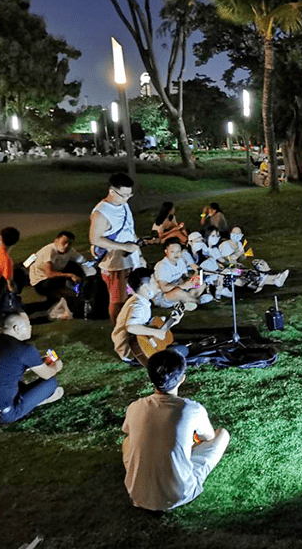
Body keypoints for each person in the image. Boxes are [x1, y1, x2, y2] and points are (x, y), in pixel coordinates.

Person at [122, 349, 230, 511]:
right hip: (179, 495)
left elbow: (129, 433)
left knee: (127, 441)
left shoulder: (135, 407)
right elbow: (208, 437)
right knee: (222, 434)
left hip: (136, 494)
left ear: (150, 378)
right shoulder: (191, 409)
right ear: (182, 379)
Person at [0, 312, 64, 424]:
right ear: (17, 328)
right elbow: (48, 374)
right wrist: (56, 366)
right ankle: (33, 402)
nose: (31, 327)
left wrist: (37, 363)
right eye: (28, 324)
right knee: (51, 383)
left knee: (5, 379)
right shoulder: (26, 349)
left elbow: (9, 367)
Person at [90, 173, 143, 324]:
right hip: (114, 264)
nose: (126, 199)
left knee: (130, 295)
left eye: (129, 195)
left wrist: (139, 254)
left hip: (130, 260)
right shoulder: (101, 213)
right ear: (112, 192)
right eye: (123, 195)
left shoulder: (123, 204)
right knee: (117, 299)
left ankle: (131, 324)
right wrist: (123, 246)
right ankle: (118, 330)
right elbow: (95, 238)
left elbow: (129, 230)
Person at [111, 268, 189, 366]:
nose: (157, 285)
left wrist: (172, 321)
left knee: (179, 347)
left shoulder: (139, 300)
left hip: (138, 347)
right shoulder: (138, 305)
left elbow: (148, 328)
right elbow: (131, 327)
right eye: (153, 282)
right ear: (145, 288)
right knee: (183, 350)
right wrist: (156, 332)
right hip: (134, 353)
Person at [153, 239, 213, 308]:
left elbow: (184, 277)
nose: (176, 254)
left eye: (178, 251)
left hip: (181, 288)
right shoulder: (162, 266)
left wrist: (192, 280)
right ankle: (198, 301)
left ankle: (185, 302)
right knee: (178, 292)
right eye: (172, 252)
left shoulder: (180, 261)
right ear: (166, 251)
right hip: (163, 297)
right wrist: (182, 286)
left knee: (202, 283)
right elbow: (163, 288)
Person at [28, 231, 85, 303]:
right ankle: (64, 294)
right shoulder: (50, 251)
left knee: (73, 265)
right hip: (41, 283)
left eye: (69, 244)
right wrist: (70, 275)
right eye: (64, 243)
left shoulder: (70, 251)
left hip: (55, 277)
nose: (66, 246)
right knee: (59, 278)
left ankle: (82, 286)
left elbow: (82, 260)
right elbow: (49, 274)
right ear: (56, 241)